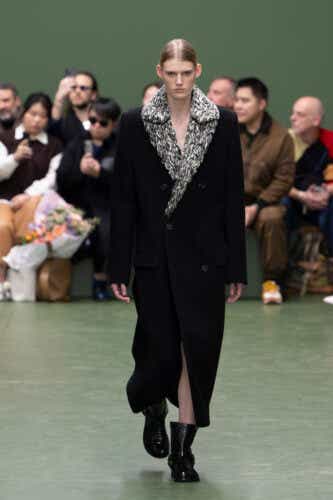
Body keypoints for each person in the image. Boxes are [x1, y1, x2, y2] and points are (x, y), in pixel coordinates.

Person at [109, 39, 246, 482]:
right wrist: (117, 266)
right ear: (160, 72)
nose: (180, 81)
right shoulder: (135, 123)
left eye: (187, 72)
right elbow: (124, 201)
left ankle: (183, 450)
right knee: (161, 350)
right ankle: (152, 402)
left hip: (205, 258)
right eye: (172, 73)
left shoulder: (222, 123)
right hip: (155, 257)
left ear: (198, 70)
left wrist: (236, 269)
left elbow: (231, 197)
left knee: (196, 352)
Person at [234, 77, 295, 304]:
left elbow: (284, 180)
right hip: (228, 200)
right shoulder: (225, 131)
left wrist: (256, 206)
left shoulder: (281, 138)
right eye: (236, 100)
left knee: (272, 218)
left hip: (263, 202)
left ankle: (272, 283)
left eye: (245, 100)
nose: (238, 105)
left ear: (261, 104)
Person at [56, 97, 121, 300]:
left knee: (107, 229)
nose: (96, 126)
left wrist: (100, 173)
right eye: (92, 120)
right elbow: (62, 180)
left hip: (107, 205)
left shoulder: (120, 146)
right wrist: (81, 171)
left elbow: (126, 183)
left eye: (103, 123)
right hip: (78, 204)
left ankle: (100, 281)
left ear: (113, 124)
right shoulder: (77, 143)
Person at [0, 93, 63, 300]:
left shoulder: (54, 145)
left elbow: (52, 179)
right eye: (32, 114)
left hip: (32, 203)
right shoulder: (5, 137)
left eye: (42, 116)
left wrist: (27, 195)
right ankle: (2, 278)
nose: (36, 120)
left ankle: (19, 279)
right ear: (23, 114)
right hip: (5, 201)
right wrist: (14, 158)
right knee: (2, 226)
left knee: (33, 212)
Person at [284, 96, 333, 283]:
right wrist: (301, 195)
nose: (293, 118)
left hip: (322, 202)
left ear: (316, 121)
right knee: (281, 206)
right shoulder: (284, 141)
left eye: (300, 114)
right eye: (293, 113)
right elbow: (274, 180)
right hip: (293, 199)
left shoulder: (329, 141)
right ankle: (283, 277)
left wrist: (326, 192)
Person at [50, 71, 98, 145]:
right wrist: (58, 100)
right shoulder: (64, 124)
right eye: (74, 87)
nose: (77, 91)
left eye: (83, 88)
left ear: (93, 95)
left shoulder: (103, 122)